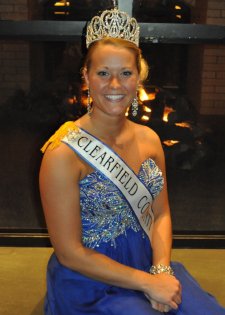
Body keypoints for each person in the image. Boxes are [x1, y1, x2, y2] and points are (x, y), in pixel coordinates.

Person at [39, 6, 225, 315]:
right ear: (85, 76)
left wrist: (161, 271)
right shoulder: (63, 153)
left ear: (138, 76)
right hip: (90, 281)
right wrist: (146, 283)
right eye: (103, 73)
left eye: (125, 73)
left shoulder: (150, 140)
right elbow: (70, 253)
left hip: (148, 261)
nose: (115, 85)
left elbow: (161, 214)